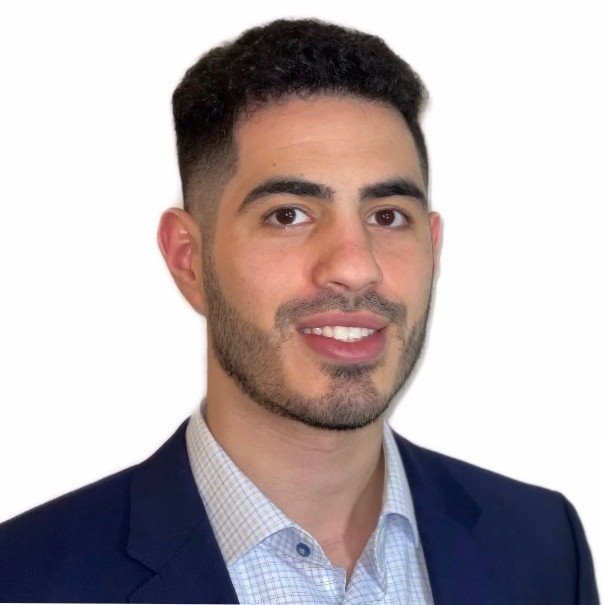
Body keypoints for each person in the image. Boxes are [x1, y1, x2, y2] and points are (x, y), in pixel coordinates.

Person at [0, 18, 599, 605]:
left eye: (388, 216)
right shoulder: (25, 579)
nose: (356, 267)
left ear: (433, 246)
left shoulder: (543, 544)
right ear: (189, 259)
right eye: (288, 215)